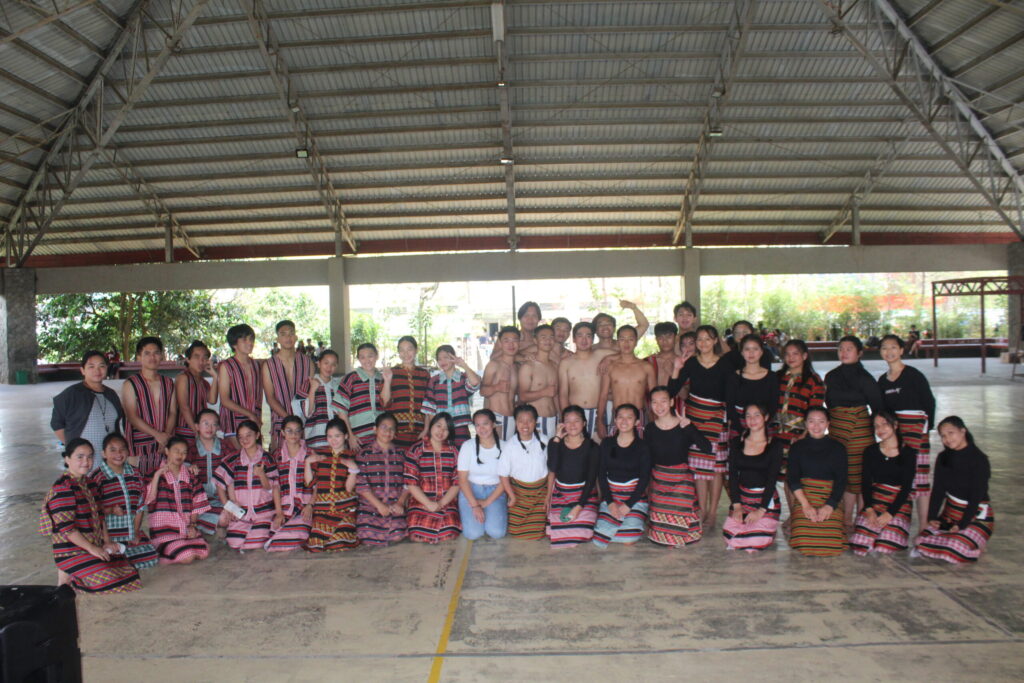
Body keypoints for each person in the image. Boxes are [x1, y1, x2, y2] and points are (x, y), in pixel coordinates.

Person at [39, 438, 142, 593]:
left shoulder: (90, 483)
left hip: (93, 544)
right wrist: (93, 548)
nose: (86, 461)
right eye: (80, 457)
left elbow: (100, 517)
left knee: (131, 576)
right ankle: (69, 582)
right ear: (67, 459)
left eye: (90, 456)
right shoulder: (62, 488)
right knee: (110, 583)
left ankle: (75, 576)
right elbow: (68, 530)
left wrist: (106, 543)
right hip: (70, 550)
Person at [667, 325, 731, 529]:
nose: (703, 343)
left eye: (707, 339)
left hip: (717, 417)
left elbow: (731, 393)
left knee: (717, 468)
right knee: (699, 466)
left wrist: (731, 421)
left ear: (715, 341)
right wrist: (677, 367)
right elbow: (672, 390)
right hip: (694, 418)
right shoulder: (691, 363)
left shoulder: (725, 364)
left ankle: (713, 512)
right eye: (699, 339)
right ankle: (702, 509)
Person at [877, 334, 936, 532]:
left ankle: (924, 526)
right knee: (903, 477)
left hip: (917, 433)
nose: (889, 352)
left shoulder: (914, 375)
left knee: (920, 480)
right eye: (885, 348)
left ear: (902, 350)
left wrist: (923, 431)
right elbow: (883, 412)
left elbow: (929, 403)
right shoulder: (882, 382)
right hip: (897, 436)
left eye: (893, 347)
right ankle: (899, 520)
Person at [914, 416, 994, 563]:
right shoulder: (943, 458)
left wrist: (962, 524)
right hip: (949, 516)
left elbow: (976, 496)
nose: (947, 439)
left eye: (951, 433)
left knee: (953, 548)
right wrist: (932, 517)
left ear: (963, 431)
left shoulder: (979, 460)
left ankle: (975, 541)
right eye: (943, 436)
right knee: (921, 540)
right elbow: (938, 490)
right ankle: (964, 540)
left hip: (974, 517)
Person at [824, 335, 883, 528]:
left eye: (849, 349)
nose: (844, 352)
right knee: (843, 475)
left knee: (860, 476)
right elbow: (829, 405)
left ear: (859, 353)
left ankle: (863, 518)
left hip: (860, 433)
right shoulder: (831, 376)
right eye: (841, 348)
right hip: (837, 432)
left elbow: (877, 408)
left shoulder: (866, 379)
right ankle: (846, 518)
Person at [645, 387, 711, 548]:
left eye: (663, 401)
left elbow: (707, 447)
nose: (659, 406)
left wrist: (690, 427)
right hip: (660, 479)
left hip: (681, 479)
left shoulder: (684, 425)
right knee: (660, 537)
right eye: (655, 402)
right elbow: (648, 460)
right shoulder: (650, 429)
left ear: (672, 402)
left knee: (686, 533)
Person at [849, 412, 916, 555]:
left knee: (885, 544)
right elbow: (866, 483)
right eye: (876, 426)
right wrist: (869, 509)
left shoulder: (908, 453)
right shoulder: (870, 451)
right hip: (876, 500)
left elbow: (906, 488)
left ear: (896, 425)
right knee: (859, 542)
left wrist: (890, 514)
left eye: (885, 424)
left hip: (898, 503)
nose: (880, 429)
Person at [91, 433, 158, 570]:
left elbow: (140, 506)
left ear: (128, 452)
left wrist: (135, 532)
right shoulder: (98, 477)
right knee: (107, 562)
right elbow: (94, 511)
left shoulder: (135, 474)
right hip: (107, 535)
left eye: (122, 449)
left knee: (150, 559)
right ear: (103, 453)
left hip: (130, 532)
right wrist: (107, 539)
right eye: (113, 450)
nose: (118, 453)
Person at [723, 403, 783, 552]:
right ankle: (751, 536)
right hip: (743, 498)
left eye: (757, 415)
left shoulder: (775, 445)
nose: (752, 419)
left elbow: (772, 479)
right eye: (748, 416)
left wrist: (761, 511)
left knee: (757, 538)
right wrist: (737, 505)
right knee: (728, 533)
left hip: (765, 501)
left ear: (766, 418)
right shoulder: (737, 442)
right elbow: (733, 476)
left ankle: (762, 532)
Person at [787, 407, 847, 557]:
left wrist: (830, 506)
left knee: (831, 541)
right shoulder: (796, 447)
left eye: (821, 422)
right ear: (806, 424)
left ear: (828, 423)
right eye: (811, 421)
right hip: (805, 497)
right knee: (804, 540)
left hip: (829, 497)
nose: (816, 426)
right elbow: (793, 479)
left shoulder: (838, 448)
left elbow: (841, 480)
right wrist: (806, 505)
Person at [217, 420, 283, 552]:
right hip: (242, 513)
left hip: (263, 512)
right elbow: (220, 484)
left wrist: (261, 475)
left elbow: (271, 489)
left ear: (257, 435)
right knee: (234, 543)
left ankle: (264, 533)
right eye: (241, 437)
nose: (244, 440)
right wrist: (230, 507)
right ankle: (255, 535)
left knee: (256, 542)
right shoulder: (233, 459)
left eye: (248, 435)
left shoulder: (267, 458)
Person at [145, 437, 212, 564]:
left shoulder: (190, 476)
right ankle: (168, 550)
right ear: (166, 451)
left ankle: (182, 545)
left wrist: (192, 525)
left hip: (186, 530)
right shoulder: (153, 474)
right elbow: (148, 499)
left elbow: (197, 504)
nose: (180, 455)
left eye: (184, 452)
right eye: (176, 450)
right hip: (164, 533)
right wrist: (157, 476)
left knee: (205, 551)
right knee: (188, 556)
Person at [592, 404, 651, 548]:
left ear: (637, 422)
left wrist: (628, 505)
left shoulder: (643, 446)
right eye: (620, 417)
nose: (624, 421)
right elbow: (601, 475)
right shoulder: (607, 443)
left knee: (628, 539)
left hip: (634, 498)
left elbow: (644, 479)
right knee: (600, 536)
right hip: (611, 496)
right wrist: (610, 502)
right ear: (615, 420)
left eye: (629, 418)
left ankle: (636, 517)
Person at [51, 351, 124, 461]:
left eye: (102, 366)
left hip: (110, 459)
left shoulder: (111, 394)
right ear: (82, 370)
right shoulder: (71, 394)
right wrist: (74, 448)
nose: (97, 370)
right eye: (91, 366)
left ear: (107, 368)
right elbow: (57, 424)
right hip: (84, 461)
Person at [545, 405, 600, 548]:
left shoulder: (593, 447)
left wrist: (579, 506)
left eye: (576, 420)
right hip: (561, 493)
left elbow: (591, 480)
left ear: (584, 423)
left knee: (583, 532)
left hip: (584, 494)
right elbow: (553, 467)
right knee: (556, 530)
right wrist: (557, 438)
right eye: (568, 421)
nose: (572, 425)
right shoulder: (555, 442)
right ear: (562, 424)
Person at [122, 336, 177, 478]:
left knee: (164, 484)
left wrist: (165, 437)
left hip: (164, 445)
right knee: (139, 485)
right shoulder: (131, 383)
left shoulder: (168, 383)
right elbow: (132, 417)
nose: (152, 357)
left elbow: (172, 412)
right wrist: (157, 435)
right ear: (139, 357)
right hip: (139, 446)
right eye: (147, 353)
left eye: (156, 353)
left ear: (162, 356)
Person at [404, 413, 462, 544]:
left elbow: (457, 483)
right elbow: (411, 483)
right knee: (416, 536)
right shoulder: (416, 449)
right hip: (421, 501)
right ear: (431, 426)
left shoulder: (454, 451)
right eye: (438, 426)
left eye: (446, 429)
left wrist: (441, 504)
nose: (441, 431)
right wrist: (428, 504)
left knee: (449, 533)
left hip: (447, 501)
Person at [304, 418, 360, 552]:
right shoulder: (320, 455)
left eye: (337, 436)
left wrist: (353, 470)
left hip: (345, 509)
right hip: (322, 510)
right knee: (316, 544)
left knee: (338, 543)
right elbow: (309, 483)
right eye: (329, 436)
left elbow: (349, 488)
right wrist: (307, 463)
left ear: (346, 436)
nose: (333, 440)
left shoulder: (352, 456)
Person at [354, 412, 409, 547]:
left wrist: (400, 503)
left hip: (395, 507)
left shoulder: (402, 454)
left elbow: (409, 482)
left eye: (392, 429)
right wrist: (379, 505)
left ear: (395, 433)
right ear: (375, 429)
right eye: (384, 427)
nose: (387, 432)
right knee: (366, 535)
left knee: (398, 534)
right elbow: (361, 485)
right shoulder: (364, 454)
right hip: (371, 508)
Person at [498, 404, 550, 540]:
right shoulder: (509, 446)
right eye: (521, 421)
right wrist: (512, 496)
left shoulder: (544, 441)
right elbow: (503, 475)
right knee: (515, 531)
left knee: (539, 532)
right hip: (519, 494)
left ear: (536, 422)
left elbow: (551, 471)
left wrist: (548, 495)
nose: (525, 425)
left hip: (540, 493)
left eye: (529, 420)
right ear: (515, 423)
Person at [596, 325, 656, 438]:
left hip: (639, 416)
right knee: (616, 452)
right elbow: (603, 396)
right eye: (622, 339)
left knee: (640, 451)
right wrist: (599, 420)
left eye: (631, 339)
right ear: (618, 342)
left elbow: (654, 397)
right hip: (617, 416)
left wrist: (654, 419)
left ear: (636, 342)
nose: (626, 343)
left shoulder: (646, 367)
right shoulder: (610, 367)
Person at [262, 320, 314, 451]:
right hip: (280, 421)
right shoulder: (269, 365)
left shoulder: (308, 362)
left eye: (291, 333)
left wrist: (298, 423)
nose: (288, 337)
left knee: (303, 464)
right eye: (283, 334)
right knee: (280, 462)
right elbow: (270, 398)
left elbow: (311, 393)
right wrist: (288, 420)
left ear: (296, 337)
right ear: (278, 338)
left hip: (304, 423)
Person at [457, 409, 508, 540]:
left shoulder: (505, 447)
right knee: (473, 534)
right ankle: (477, 513)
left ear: (493, 425)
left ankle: (490, 511)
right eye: (477, 425)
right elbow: (462, 480)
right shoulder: (467, 446)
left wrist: (486, 503)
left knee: (497, 532)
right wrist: (475, 505)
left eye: (485, 424)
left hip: (495, 491)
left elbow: (504, 481)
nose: (481, 428)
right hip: (471, 490)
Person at [558, 322, 617, 436]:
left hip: (598, 413)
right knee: (576, 450)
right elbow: (563, 394)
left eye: (588, 336)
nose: (584, 340)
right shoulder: (566, 363)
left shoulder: (600, 355)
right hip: (575, 415)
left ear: (593, 339)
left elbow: (625, 354)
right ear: (574, 339)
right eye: (580, 336)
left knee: (599, 449)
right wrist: (566, 419)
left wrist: (608, 358)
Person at [264, 415, 313, 552]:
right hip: (284, 506)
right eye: (289, 431)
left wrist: (310, 505)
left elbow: (318, 485)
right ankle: (279, 537)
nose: (294, 435)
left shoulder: (310, 454)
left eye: (297, 431)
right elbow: (275, 486)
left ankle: (280, 539)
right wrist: (279, 512)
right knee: (271, 528)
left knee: (302, 530)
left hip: (304, 507)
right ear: (283, 433)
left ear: (302, 432)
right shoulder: (276, 456)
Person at [421, 344, 481, 448]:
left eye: (446, 357)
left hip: (461, 428)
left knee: (462, 456)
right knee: (444, 457)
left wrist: (464, 365)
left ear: (453, 358)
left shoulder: (463, 377)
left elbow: (475, 382)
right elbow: (430, 410)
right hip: (441, 430)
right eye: (439, 359)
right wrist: (431, 430)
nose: (442, 361)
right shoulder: (434, 381)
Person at [190, 408, 237, 536]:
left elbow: (233, 475)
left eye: (214, 424)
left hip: (222, 497)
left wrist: (231, 501)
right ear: (197, 426)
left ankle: (210, 523)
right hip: (197, 501)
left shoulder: (226, 446)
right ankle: (197, 522)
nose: (210, 427)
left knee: (235, 515)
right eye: (205, 423)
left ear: (218, 427)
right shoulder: (190, 448)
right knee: (223, 519)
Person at [218, 324, 263, 449]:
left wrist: (256, 418)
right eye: (244, 339)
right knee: (240, 460)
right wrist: (250, 414)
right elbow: (225, 400)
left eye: (251, 339)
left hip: (253, 423)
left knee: (255, 460)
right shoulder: (226, 366)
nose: (250, 343)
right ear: (234, 344)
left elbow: (258, 397)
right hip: (233, 423)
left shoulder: (255, 365)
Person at [333, 343, 386, 450]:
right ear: (358, 359)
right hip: (358, 439)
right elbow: (341, 410)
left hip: (380, 437)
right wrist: (350, 436)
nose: (367, 360)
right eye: (362, 357)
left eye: (370, 356)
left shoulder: (382, 379)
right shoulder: (350, 379)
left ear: (376, 356)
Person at [382, 335, 431, 451]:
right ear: (398, 352)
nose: (406, 353)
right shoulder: (392, 372)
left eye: (409, 349)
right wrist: (387, 381)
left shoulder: (424, 374)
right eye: (402, 350)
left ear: (416, 350)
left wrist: (426, 429)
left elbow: (429, 405)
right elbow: (384, 402)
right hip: (396, 432)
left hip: (420, 432)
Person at [726, 335, 779, 440]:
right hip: (739, 427)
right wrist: (742, 431)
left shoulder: (772, 377)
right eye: (747, 349)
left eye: (755, 349)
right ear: (741, 352)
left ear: (761, 352)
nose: (751, 353)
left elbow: (774, 406)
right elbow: (730, 407)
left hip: (765, 427)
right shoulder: (734, 377)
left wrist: (761, 427)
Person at [517, 324, 561, 439]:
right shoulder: (528, 366)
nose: (548, 340)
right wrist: (544, 392)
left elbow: (555, 395)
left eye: (551, 337)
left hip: (554, 418)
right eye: (543, 337)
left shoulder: (555, 365)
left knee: (552, 454)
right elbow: (522, 396)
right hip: (537, 421)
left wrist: (561, 416)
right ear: (535, 340)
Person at [174, 340, 218, 451]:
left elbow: (212, 400)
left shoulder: (204, 382)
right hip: (186, 429)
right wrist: (196, 430)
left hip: (200, 430)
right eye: (196, 357)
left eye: (204, 358)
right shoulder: (183, 377)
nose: (201, 361)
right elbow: (184, 407)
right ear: (188, 359)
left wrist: (215, 377)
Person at [481, 326, 520, 442]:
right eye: (506, 341)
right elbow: (482, 391)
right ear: (500, 343)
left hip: (512, 418)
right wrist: (496, 387)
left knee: (509, 456)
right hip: (496, 418)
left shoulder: (516, 367)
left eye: (514, 340)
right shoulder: (493, 365)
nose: (511, 344)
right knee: (496, 455)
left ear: (519, 343)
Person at [304, 349, 340, 452]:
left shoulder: (338, 386)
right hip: (316, 439)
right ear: (318, 364)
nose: (329, 367)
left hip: (336, 440)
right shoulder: (309, 384)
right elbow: (307, 412)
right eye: (326, 363)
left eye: (333, 364)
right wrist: (312, 390)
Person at [645, 321, 680, 388]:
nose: (665, 341)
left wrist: (672, 373)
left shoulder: (684, 363)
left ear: (676, 338)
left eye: (669, 337)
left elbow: (685, 395)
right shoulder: (647, 361)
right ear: (656, 340)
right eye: (661, 338)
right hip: (651, 398)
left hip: (675, 398)